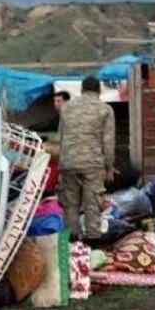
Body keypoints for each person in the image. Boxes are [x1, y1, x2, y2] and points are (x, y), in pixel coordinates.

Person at [58, 76, 116, 241]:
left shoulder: (66, 108)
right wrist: (109, 167)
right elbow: (108, 141)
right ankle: (93, 243)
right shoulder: (105, 109)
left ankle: (72, 242)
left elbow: (61, 138)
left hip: (68, 162)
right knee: (93, 205)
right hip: (92, 164)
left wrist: (62, 165)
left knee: (71, 205)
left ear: (82, 90)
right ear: (99, 90)